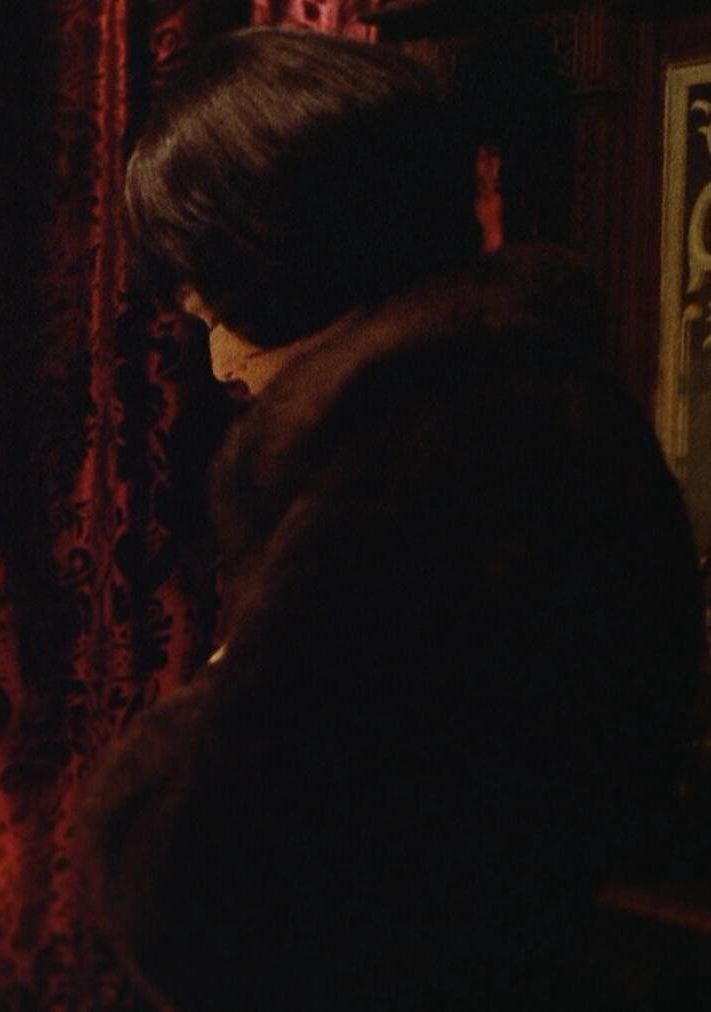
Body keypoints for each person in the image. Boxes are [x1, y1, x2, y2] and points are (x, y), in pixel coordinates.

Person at [81, 27, 703, 1010]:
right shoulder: (558, 412)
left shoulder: (410, 468)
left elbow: (196, 892)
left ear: (282, 260)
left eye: (213, 312)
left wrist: (180, 737)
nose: (220, 364)